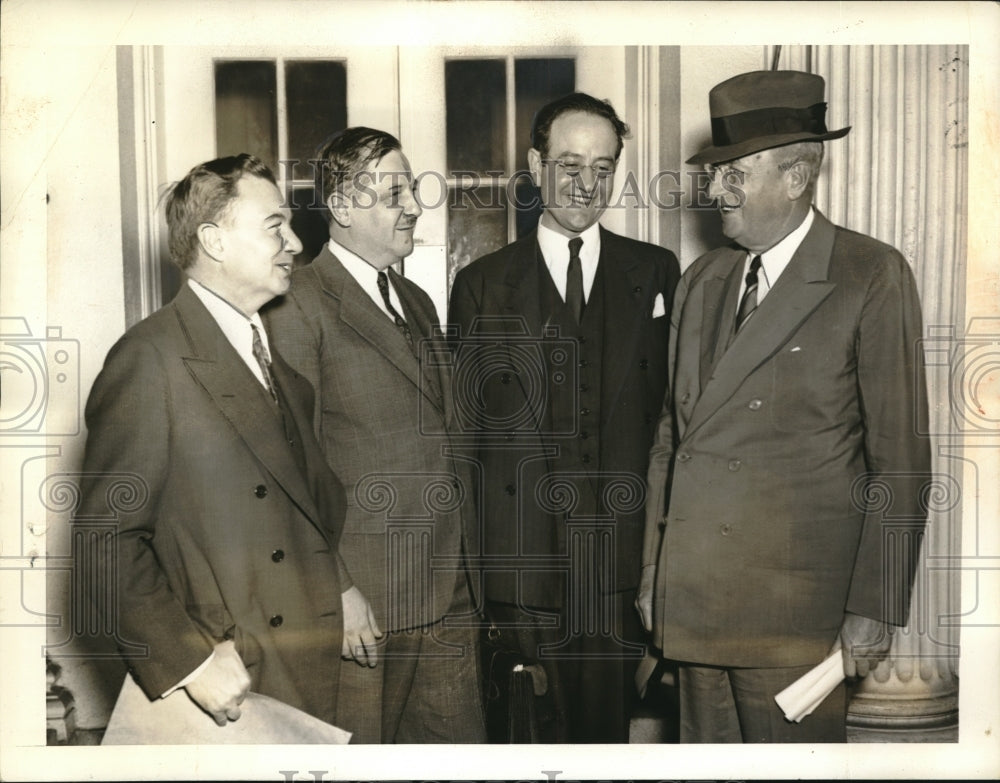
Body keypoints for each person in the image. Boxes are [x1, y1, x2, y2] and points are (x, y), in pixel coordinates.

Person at [637, 70, 931, 743]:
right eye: (716, 174)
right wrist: (654, 569)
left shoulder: (869, 274)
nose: (715, 191)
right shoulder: (702, 280)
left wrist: (876, 604)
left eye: (733, 174)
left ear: (795, 177)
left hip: (795, 620)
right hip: (694, 601)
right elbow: (671, 440)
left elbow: (900, 460)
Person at [78, 154, 348, 734]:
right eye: (274, 225)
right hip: (231, 679)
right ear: (214, 241)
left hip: (301, 657)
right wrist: (190, 662)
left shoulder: (271, 358)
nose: (295, 243)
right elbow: (104, 541)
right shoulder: (149, 359)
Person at [449, 92, 681, 743]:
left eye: (603, 168)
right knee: (522, 746)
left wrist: (660, 564)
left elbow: (673, 426)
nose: (586, 184)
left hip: (618, 572)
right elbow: (464, 447)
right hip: (519, 573)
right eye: (570, 165)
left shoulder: (656, 273)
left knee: (605, 746)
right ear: (535, 166)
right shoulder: (481, 285)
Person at [264, 127, 485, 743]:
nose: (414, 205)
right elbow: (287, 469)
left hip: (447, 590)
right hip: (364, 605)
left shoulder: (416, 300)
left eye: (411, 189)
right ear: (341, 207)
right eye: (393, 194)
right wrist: (336, 588)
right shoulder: (295, 304)